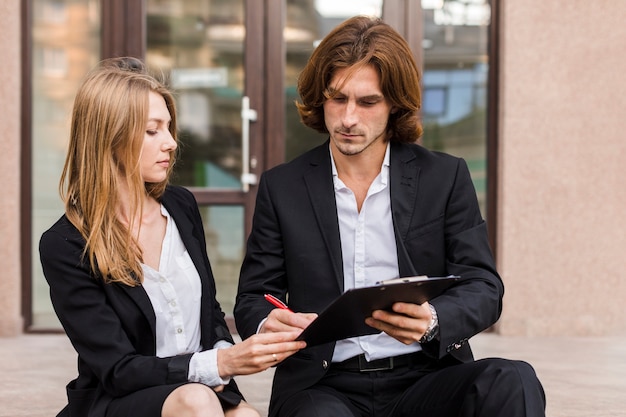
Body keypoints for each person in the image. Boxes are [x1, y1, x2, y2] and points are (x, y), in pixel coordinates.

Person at [234, 15, 546, 417]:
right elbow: (253, 295)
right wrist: (266, 324)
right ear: (320, 98)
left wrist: (433, 319)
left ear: (394, 104)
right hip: (324, 385)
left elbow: (484, 286)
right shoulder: (283, 186)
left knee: (514, 380)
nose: (348, 119)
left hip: (425, 375)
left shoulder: (444, 177)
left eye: (367, 102)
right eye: (337, 98)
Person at [39, 57, 305, 417]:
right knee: (196, 400)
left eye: (169, 128)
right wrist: (222, 362)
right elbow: (117, 370)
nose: (171, 143)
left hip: (203, 395)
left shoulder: (181, 206)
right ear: (110, 136)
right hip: (120, 400)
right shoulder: (66, 243)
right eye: (153, 131)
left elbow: (209, 315)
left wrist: (232, 377)